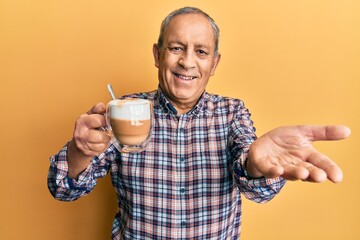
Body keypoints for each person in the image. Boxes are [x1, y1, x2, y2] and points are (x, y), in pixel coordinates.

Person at [48, 6, 351, 239]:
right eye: (176, 48)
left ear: (214, 63)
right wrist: (80, 152)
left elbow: (259, 189)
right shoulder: (124, 110)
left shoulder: (232, 113)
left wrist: (257, 165)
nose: (187, 62)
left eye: (201, 52)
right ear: (157, 54)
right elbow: (62, 189)